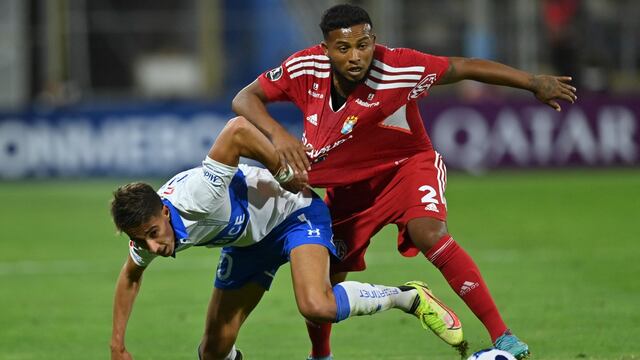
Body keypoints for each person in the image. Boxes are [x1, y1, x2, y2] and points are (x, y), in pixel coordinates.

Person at [231, 4, 577, 360]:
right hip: (349, 190)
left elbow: (462, 67)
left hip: (405, 168)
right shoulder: (305, 67)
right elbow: (244, 98)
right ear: (326, 50)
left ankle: (503, 336)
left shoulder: (399, 66)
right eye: (343, 48)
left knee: (429, 232)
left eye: (363, 45)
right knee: (326, 279)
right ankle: (321, 355)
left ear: (374, 41)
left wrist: (533, 82)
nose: (355, 56)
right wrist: (277, 136)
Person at [109, 116, 467, 360]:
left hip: (294, 213)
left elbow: (236, 130)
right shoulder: (145, 232)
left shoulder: (198, 195)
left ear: (165, 212)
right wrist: (117, 345)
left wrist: (282, 170)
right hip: (249, 243)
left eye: (155, 235)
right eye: (143, 241)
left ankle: (407, 297)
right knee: (213, 351)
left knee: (316, 305)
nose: (154, 247)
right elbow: (130, 276)